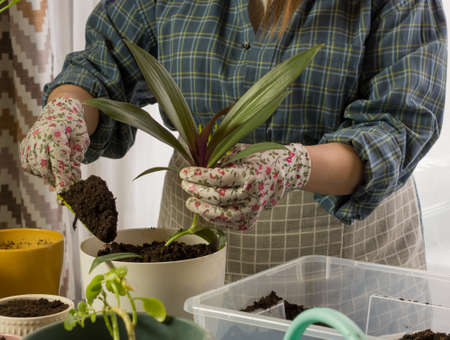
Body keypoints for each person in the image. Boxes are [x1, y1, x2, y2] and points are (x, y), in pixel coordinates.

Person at [20, 0, 447, 283]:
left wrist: (288, 168)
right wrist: (68, 110)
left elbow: (397, 126)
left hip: (344, 250)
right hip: (192, 239)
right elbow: (102, 63)